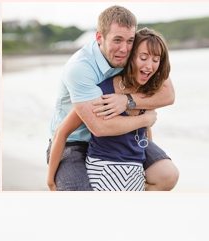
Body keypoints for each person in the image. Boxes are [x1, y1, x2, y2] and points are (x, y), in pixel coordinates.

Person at [46, 5, 179, 191]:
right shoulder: (80, 68)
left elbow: (168, 94)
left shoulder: (134, 54)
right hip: (74, 141)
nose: (124, 49)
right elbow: (98, 127)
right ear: (99, 37)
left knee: (168, 175)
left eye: (130, 40)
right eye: (117, 40)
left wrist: (128, 100)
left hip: (118, 137)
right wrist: (145, 119)